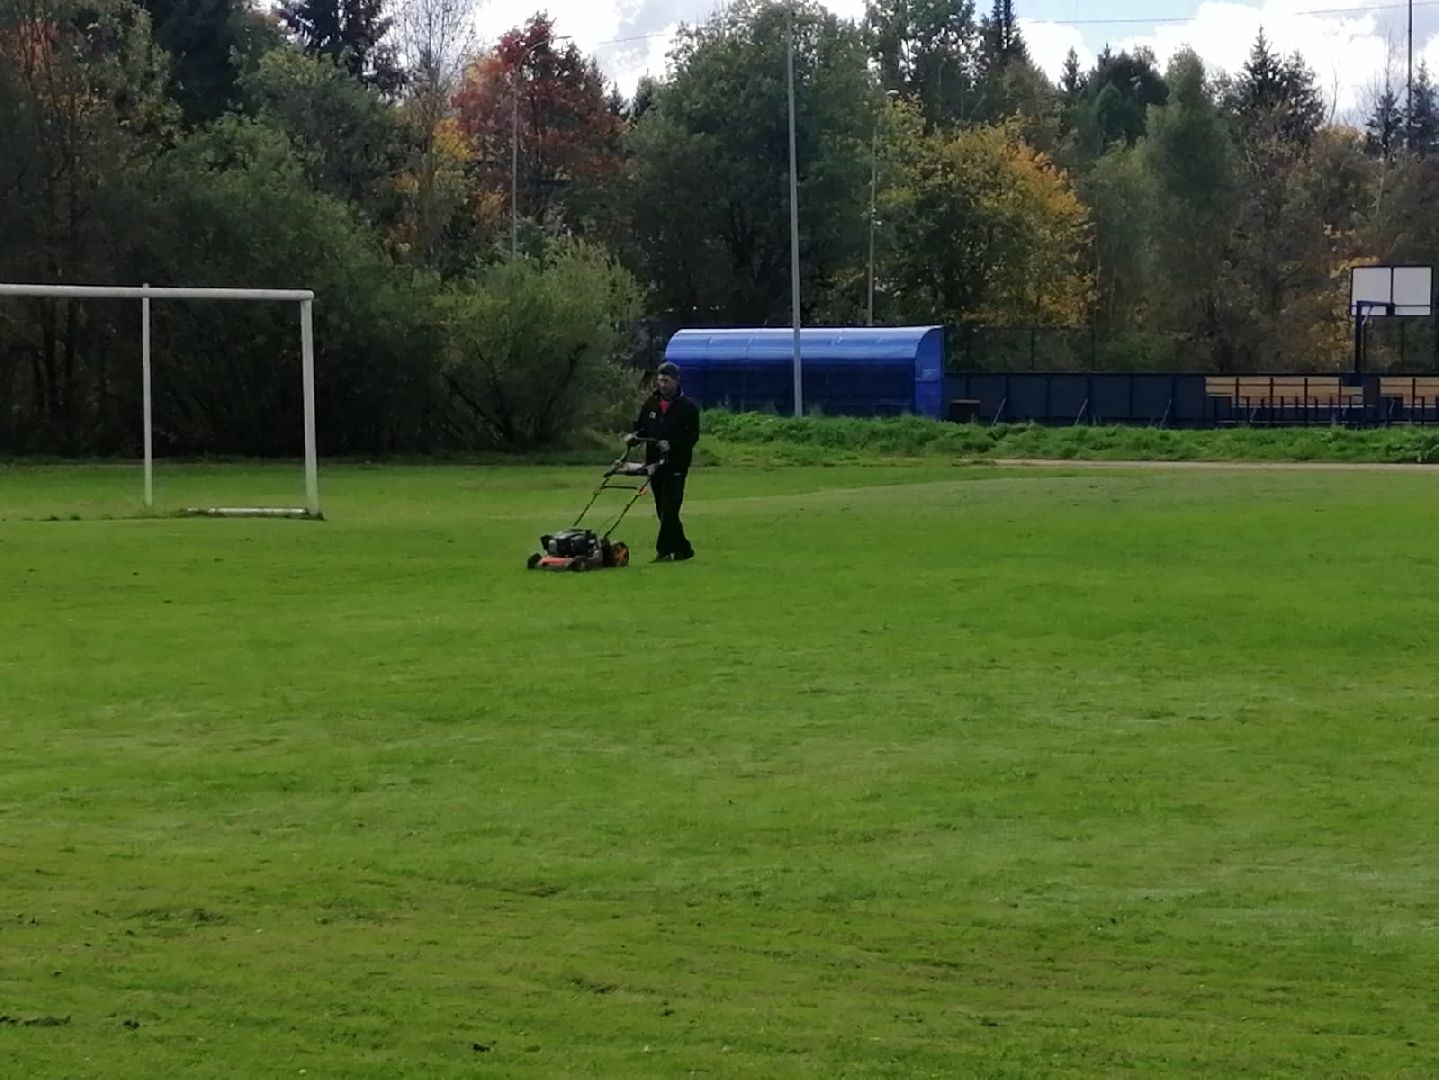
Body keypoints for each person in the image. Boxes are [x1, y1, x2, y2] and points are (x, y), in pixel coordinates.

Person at [624, 361, 700, 562]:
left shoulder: (688, 408)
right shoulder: (650, 403)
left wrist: (672, 445)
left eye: (666, 381)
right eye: (660, 380)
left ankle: (664, 551)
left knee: (670, 508)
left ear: (676, 381)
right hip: (654, 464)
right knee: (662, 510)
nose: (663, 384)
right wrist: (634, 438)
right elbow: (642, 428)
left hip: (676, 465)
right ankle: (683, 548)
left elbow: (692, 438)